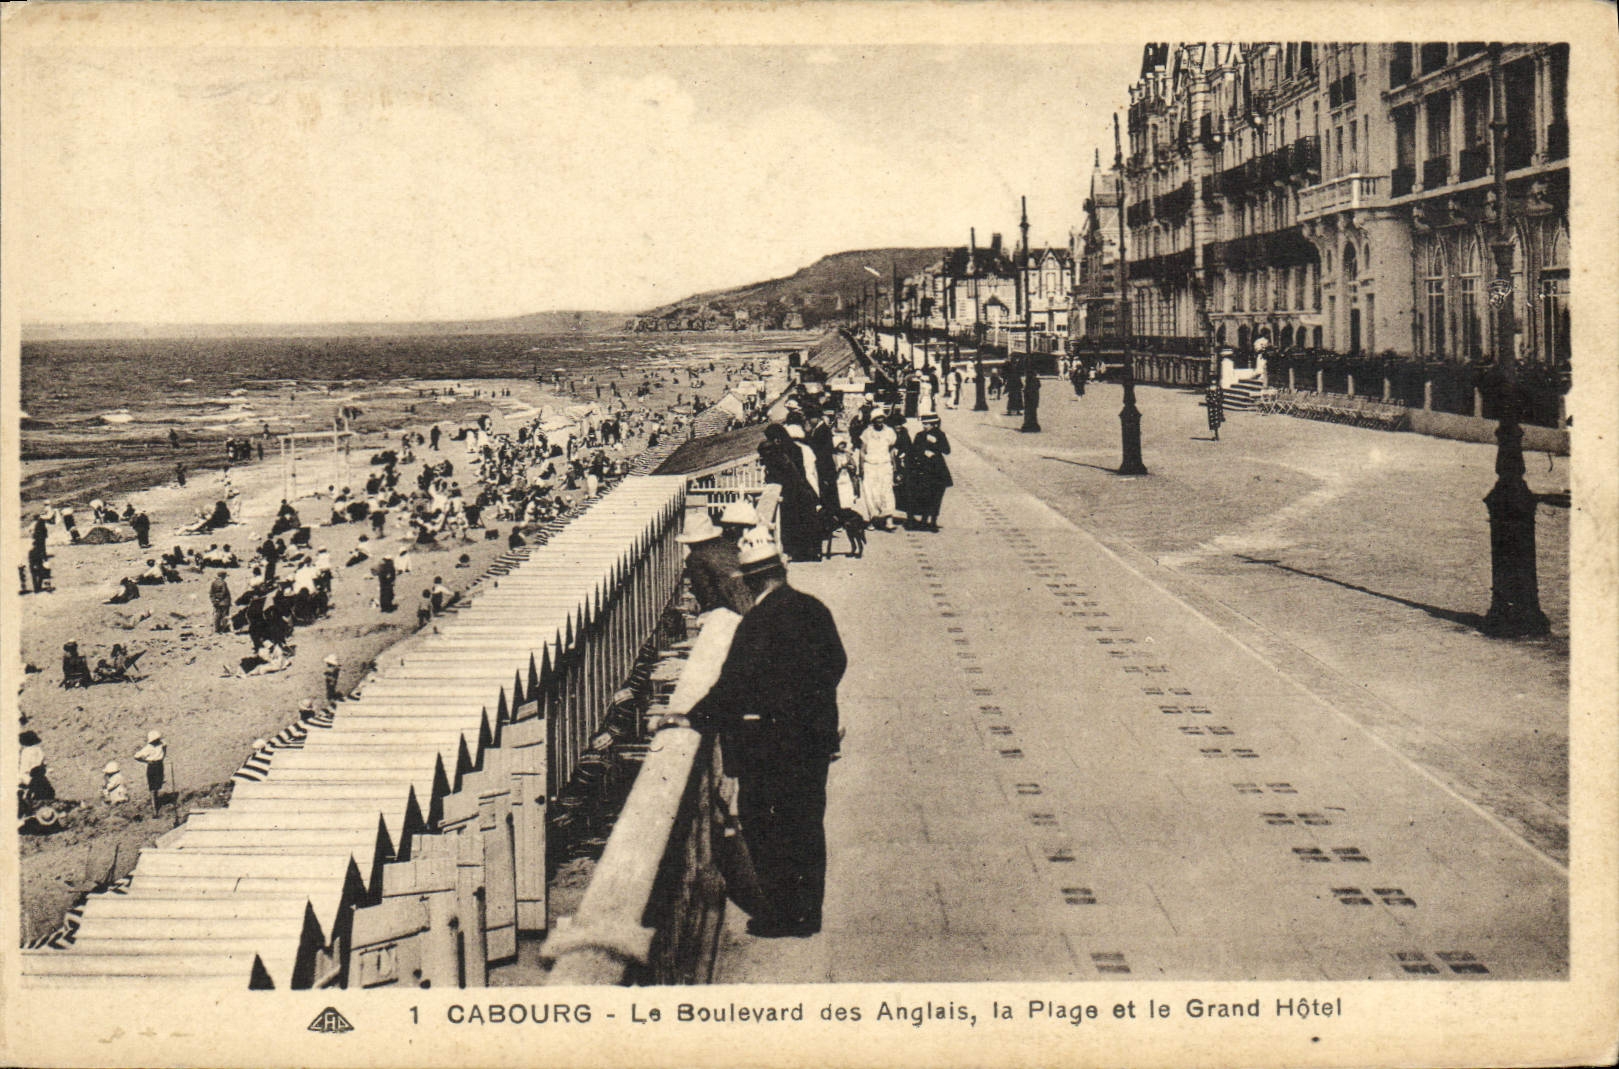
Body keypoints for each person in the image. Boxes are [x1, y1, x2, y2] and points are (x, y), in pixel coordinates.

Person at [676, 538, 846, 938]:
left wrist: (691, 717)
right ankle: (809, 912)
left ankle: (785, 915)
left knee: (768, 829)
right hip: (814, 741)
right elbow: (836, 662)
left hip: (771, 746)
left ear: (751, 582)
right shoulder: (812, 607)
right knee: (806, 826)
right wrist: (811, 706)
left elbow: (733, 684)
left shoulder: (758, 621)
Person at [676, 513, 752, 616]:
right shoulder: (727, 545)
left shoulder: (695, 558)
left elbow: (707, 594)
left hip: (731, 608)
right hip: (750, 598)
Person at [906, 414, 953, 531]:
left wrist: (935, 443)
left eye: (927, 424)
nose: (924, 426)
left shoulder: (940, 435)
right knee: (925, 495)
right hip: (923, 469)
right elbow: (913, 450)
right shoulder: (920, 435)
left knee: (937, 496)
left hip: (938, 470)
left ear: (933, 424)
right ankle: (923, 520)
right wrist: (923, 452)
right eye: (924, 424)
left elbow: (947, 450)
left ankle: (933, 521)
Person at [857, 408, 898, 531]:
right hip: (870, 466)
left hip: (885, 465)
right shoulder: (867, 433)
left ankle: (888, 519)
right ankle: (872, 520)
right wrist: (861, 467)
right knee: (870, 493)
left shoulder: (889, 432)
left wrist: (894, 465)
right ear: (873, 420)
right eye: (877, 419)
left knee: (886, 491)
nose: (879, 421)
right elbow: (862, 451)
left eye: (881, 418)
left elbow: (891, 450)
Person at [133, 730, 167, 815]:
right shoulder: (148, 748)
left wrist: (163, 756)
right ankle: (154, 809)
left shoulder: (161, 744)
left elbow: (165, 746)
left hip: (160, 765)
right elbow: (136, 756)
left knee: (158, 785)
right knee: (152, 788)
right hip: (152, 766)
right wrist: (146, 761)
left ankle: (156, 802)